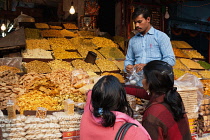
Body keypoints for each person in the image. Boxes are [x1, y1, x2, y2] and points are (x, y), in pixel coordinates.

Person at [125, 60, 191, 140]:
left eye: (144, 78)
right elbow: (141, 92)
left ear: (151, 83)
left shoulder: (152, 115)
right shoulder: (172, 96)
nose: (142, 81)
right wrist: (120, 87)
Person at [80, 75, 151, 140]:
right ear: (121, 99)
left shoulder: (86, 117)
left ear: (95, 99)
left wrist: (92, 92)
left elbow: (90, 100)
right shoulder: (133, 133)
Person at [124, 6, 175, 86]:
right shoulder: (133, 41)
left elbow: (170, 60)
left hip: (157, 84)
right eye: (135, 22)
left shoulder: (161, 37)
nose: (137, 25)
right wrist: (128, 67)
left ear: (148, 19)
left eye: (139, 21)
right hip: (138, 84)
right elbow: (128, 59)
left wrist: (149, 66)